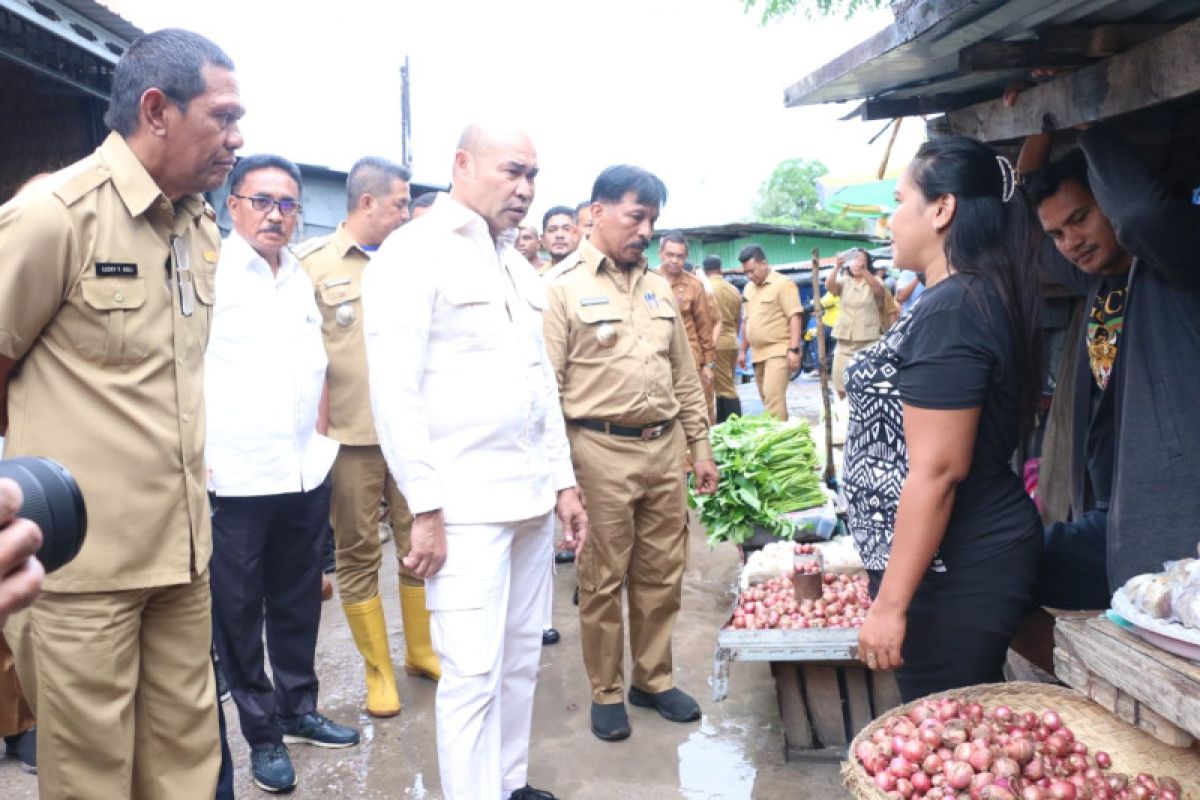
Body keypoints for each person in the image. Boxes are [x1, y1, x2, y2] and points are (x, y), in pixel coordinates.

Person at [0, 29, 240, 799]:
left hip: (183, 557)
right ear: (155, 110)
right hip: (82, 573)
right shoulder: (56, 215)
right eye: (224, 117)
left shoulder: (199, 225)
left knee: (186, 769)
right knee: (92, 780)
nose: (238, 139)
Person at [363, 121, 587, 800]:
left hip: (526, 501)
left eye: (533, 178)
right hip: (462, 509)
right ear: (462, 164)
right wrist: (424, 507)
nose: (524, 190)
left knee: (521, 661)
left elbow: (540, 386)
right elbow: (394, 390)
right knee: (471, 675)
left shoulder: (517, 266)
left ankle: (509, 784)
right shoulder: (413, 253)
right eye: (511, 171)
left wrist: (564, 482)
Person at [845, 137, 1044, 701]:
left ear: (941, 209)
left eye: (900, 199)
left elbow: (937, 471)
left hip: (954, 567)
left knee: (944, 728)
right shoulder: (955, 297)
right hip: (943, 560)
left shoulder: (953, 308)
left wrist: (889, 607)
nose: (891, 217)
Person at [543, 165, 719, 743]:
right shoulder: (561, 286)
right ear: (596, 212)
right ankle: (607, 690)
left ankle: (653, 678)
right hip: (598, 450)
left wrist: (700, 446)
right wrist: (562, 479)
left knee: (662, 574)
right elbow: (545, 388)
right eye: (635, 216)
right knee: (601, 579)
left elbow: (685, 377)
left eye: (652, 219)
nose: (645, 229)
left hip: (663, 449)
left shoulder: (659, 285)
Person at [207, 154, 359, 793]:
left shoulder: (298, 275)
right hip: (237, 476)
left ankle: (298, 709)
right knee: (239, 616)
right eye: (262, 200)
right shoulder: (211, 274)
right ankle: (263, 735)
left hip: (302, 471)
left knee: (298, 601)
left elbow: (316, 365)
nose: (276, 214)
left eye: (288, 204)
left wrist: (320, 438)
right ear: (233, 204)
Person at [1022, 123, 1200, 601]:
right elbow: (1022, 232)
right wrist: (1039, 131)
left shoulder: (1180, 266)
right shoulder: (1096, 281)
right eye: (1058, 232)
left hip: (1180, 525)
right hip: (1114, 517)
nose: (1071, 241)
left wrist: (1089, 124)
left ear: (1109, 201)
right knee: (1003, 564)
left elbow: (1142, 215)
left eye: (1081, 217)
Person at [296, 156, 440, 721]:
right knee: (357, 553)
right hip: (351, 437)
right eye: (402, 203)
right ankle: (378, 670)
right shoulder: (312, 266)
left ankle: (421, 651)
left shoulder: (416, 261)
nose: (408, 212)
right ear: (367, 203)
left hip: (414, 433)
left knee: (419, 545)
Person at [737, 245, 802, 421]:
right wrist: (743, 350)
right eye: (746, 273)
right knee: (768, 401)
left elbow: (794, 317)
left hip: (778, 350)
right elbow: (746, 321)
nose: (750, 276)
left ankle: (776, 443)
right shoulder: (748, 289)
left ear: (763, 263)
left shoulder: (783, 284)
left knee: (773, 399)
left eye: (752, 271)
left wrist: (794, 350)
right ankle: (787, 436)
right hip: (757, 354)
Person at [658, 232, 717, 421]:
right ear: (661, 254)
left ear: (686, 257)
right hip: (658, 357)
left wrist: (708, 365)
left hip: (689, 359)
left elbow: (704, 328)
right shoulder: (647, 281)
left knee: (694, 412)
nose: (674, 260)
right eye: (670, 255)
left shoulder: (694, 285)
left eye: (680, 256)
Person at [825, 248, 893, 399]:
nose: (856, 263)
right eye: (853, 259)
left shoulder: (875, 280)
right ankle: (844, 415)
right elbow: (830, 287)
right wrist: (836, 267)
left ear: (867, 263)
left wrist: (865, 272)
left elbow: (879, 291)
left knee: (866, 386)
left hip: (867, 342)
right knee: (840, 385)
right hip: (844, 342)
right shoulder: (844, 281)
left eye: (860, 259)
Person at [703, 255, 743, 422]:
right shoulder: (733, 289)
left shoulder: (706, 289)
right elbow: (738, 320)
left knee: (725, 388)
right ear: (720, 269)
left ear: (705, 271)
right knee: (726, 384)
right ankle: (723, 423)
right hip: (732, 340)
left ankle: (735, 425)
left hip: (717, 342)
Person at [539, 205, 578, 274]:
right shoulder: (536, 278)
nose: (559, 235)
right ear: (543, 240)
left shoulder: (593, 273)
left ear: (578, 235)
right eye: (552, 230)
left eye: (567, 229)